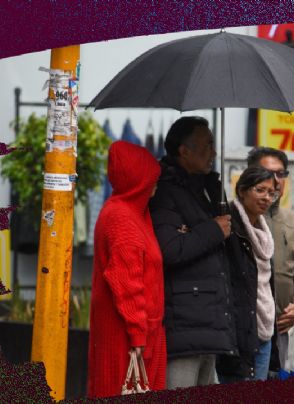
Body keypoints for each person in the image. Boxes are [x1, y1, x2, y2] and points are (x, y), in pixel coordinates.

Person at [149, 116, 236, 389]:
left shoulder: (207, 189)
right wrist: (212, 230)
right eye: (207, 145)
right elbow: (171, 249)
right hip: (185, 322)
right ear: (184, 151)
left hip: (209, 318)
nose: (214, 152)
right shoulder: (166, 191)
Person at [87, 141, 166, 398]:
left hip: (142, 333)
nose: (156, 183)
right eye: (151, 177)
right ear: (137, 180)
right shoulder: (122, 218)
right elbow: (126, 281)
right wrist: (138, 335)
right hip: (127, 337)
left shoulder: (134, 212)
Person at [247, 147, 294, 371]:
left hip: (278, 332)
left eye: (281, 174)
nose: (275, 181)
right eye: (267, 173)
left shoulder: (293, 224)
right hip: (240, 331)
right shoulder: (235, 216)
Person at [217, 166, 279, 382]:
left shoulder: (265, 233)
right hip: (238, 331)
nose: (266, 197)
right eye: (260, 190)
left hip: (265, 328)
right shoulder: (228, 226)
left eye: (272, 193)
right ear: (242, 190)